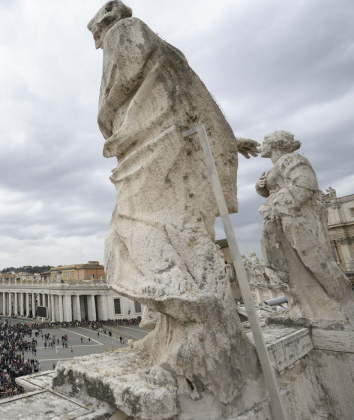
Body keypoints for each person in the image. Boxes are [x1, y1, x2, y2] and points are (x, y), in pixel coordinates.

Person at [87, 0, 260, 402]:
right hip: (161, 147)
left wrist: (106, 114)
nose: (98, 45)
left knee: (131, 232)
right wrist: (227, 141)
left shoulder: (123, 34)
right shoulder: (167, 51)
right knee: (157, 229)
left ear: (104, 24)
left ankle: (192, 328)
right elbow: (197, 101)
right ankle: (182, 327)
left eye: (96, 35)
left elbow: (122, 86)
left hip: (150, 147)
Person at [256, 131, 354, 322]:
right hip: (280, 220)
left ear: (276, 143)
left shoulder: (292, 159)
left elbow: (305, 185)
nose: (262, 143)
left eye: (266, 140)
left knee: (310, 259)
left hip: (295, 219)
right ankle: (305, 307)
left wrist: (279, 207)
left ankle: (332, 305)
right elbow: (277, 189)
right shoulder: (278, 166)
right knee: (290, 265)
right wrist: (262, 188)